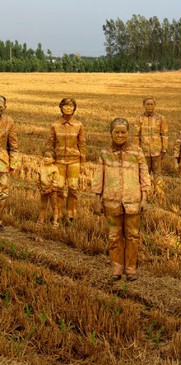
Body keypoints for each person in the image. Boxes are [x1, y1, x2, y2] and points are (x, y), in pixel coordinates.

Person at [92, 118, 151, 281]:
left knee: (133, 236)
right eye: (116, 132)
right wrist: (97, 199)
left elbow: (144, 175)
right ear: (111, 133)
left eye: (123, 132)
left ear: (128, 133)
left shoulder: (137, 152)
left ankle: (131, 270)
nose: (120, 135)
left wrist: (144, 197)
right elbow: (98, 177)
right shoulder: (105, 153)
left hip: (133, 201)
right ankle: (117, 269)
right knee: (114, 235)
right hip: (111, 202)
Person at [48, 98, 86, 223]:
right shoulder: (54, 125)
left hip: (74, 161)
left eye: (71, 106)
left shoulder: (79, 125)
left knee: (73, 188)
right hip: (59, 161)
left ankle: (71, 216)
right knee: (58, 188)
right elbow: (50, 145)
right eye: (66, 106)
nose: (68, 108)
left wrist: (83, 162)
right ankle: (58, 214)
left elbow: (82, 145)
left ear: (74, 108)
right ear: (61, 107)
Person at [134, 97, 169, 198]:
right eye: (147, 104)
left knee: (158, 174)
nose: (149, 106)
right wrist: (137, 151)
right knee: (144, 174)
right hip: (143, 152)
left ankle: (159, 195)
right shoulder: (139, 118)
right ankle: (145, 195)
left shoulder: (161, 118)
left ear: (155, 105)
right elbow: (136, 136)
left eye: (151, 104)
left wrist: (164, 149)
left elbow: (164, 135)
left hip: (157, 152)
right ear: (144, 105)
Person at [0, 96, 18, 230]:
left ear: (5, 107)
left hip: (2, 161)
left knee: (2, 192)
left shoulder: (9, 122)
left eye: (1, 105)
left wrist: (13, 163)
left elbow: (13, 145)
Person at [37, 150, 60, 227]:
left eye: (48, 157)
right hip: (43, 190)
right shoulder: (40, 168)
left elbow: (55, 181)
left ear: (53, 160)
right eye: (45, 156)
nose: (46, 158)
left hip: (52, 191)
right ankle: (41, 222)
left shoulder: (55, 169)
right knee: (43, 206)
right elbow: (38, 180)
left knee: (54, 206)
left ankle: (55, 222)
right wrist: (40, 189)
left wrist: (49, 190)